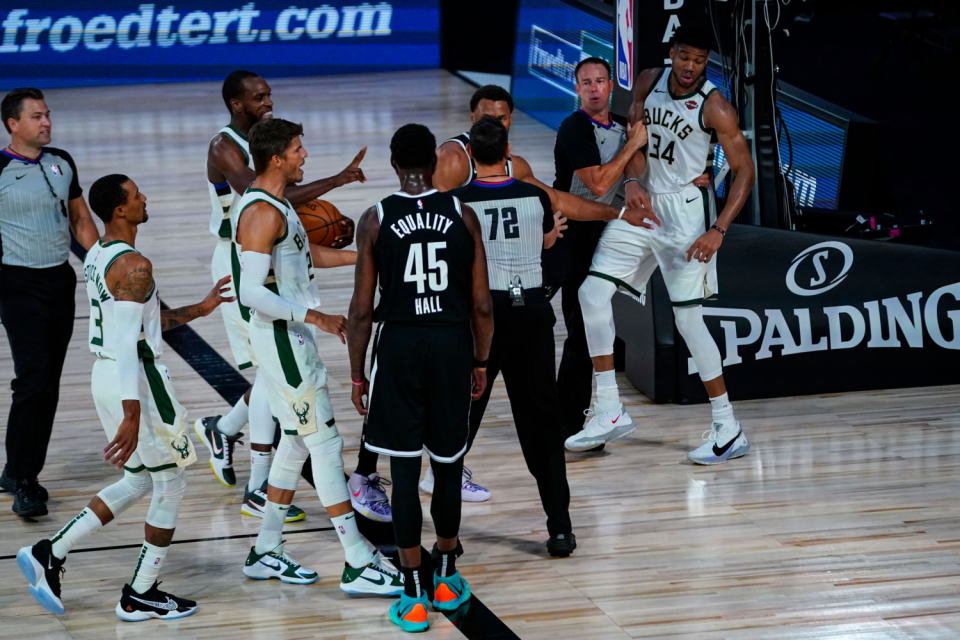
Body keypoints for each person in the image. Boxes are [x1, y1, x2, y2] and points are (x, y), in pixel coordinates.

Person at [348, 84, 658, 516]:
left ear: (511, 123)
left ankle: (440, 474)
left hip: (488, 302)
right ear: (470, 118)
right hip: (439, 296)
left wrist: (618, 212)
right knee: (410, 395)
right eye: (485, 115)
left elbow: (559, 200)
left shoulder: (516, 165)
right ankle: (366, 470)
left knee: (462, 398)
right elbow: (424, 221)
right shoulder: (453, 160)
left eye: (503, 115)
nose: (494, 121)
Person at [17, 174, 231, 620]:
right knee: (171, 482)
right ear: (120, 210)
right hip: (134, 381)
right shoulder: (135, 266)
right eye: (136, 196)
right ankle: (141, 592)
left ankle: (50, 551)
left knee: (139, 480)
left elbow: (137, 326)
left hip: (106, 375)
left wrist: (202, 307)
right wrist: (133, 412)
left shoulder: (98, 254)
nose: (144, 198)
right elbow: (128, 344)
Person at [448, 116, 661, 557]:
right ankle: (560, 529)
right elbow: (548, 240)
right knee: (542, 428)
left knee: (458, 430)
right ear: (510, 153)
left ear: (470, 157)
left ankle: (447, 538)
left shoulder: (457, 204)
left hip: (480, 323)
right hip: (531, 318)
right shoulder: (532, 196)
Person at [567, 25, 756, 464]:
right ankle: (610, 408)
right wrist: (632, 179)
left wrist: (719, 229)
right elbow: (636, 134)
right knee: (591, 293)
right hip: (644, 205)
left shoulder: (717, 107)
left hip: (688, 216)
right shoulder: (649, 78)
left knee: (690, 323)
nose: (691, 67)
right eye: (685, 56)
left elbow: (744, 171)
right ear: (673, 52)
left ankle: (728, 426)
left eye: (700, 60)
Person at [234, 117, 401, 594]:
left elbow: (307, 258)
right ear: (276, 158)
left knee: (294, 441)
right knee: (325, 445)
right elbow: (250, 293)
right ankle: (356, 561)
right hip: (284, 341)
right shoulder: (263, 212)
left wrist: (365, 257)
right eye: (298, 150)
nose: (304, 156)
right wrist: (317, 317)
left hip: (289, 336)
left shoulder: (278, 205)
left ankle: (266, 549)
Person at [196, 70, 364, 524]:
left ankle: (225, 430)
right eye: (259, 97)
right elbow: (272, 194)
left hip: (267, 257)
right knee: (273, 378)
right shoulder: (225, 145)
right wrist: (337, 181)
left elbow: (285, 202)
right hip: (239, 260)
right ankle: (257, 485)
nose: (268, 101)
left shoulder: (270, 156)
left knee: (273, 380)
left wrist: (352, 248)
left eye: (270, 94)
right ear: (236, 103)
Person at [347, 123, 494, 632]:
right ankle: (448, 575)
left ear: (393, 164)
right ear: (434, 162)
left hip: (401, 345)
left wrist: (358, 375)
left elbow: (362, 311)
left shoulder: (375, 217)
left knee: (405, 473)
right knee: (449, 467)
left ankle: (411, 591)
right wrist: (479, 361)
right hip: (451, 345)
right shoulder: (462, 213)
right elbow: (481, 303)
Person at [0, 88, 100, 517]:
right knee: (32, 380)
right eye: (37, 116)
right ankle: (25, 479)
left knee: (49, 384)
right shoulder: (0, 169)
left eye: (48, 115)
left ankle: (15, 469)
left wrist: (100, 264)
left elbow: (79, 217)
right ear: (13, 124)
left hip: (59, 280)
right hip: (15, 283)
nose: (46, 122)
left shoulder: (62, 162)